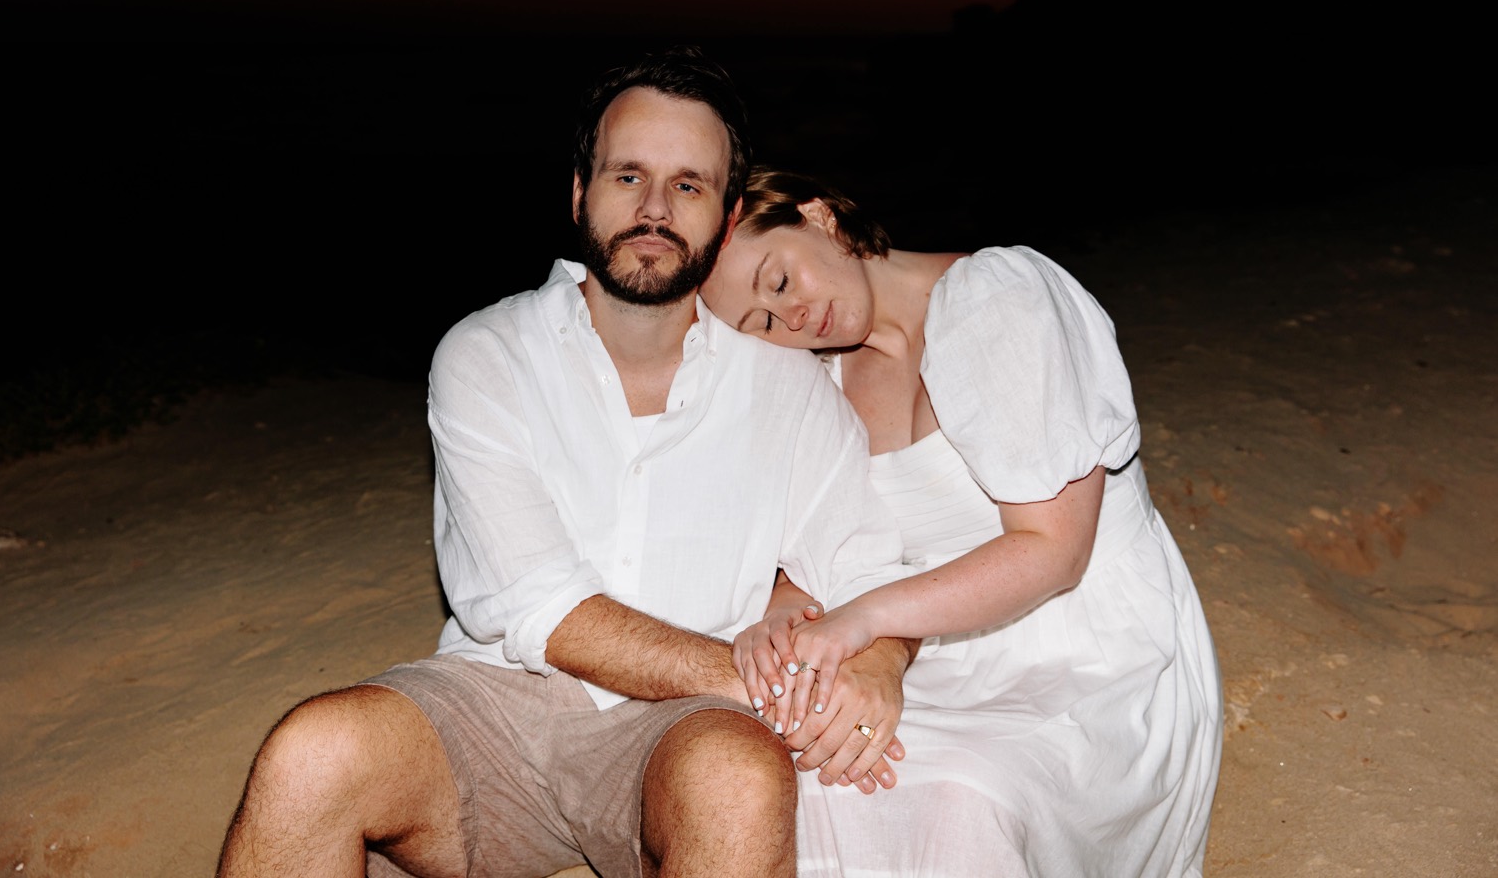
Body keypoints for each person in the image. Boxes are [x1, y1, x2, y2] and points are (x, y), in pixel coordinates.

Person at [215, 52, 918, 878]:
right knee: (312, 752)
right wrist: (756, 686)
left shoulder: (790, 393)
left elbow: (869, 571)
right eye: (628, 176)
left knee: (735, 778)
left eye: (689, 186)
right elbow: (543, 608)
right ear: (580, 192)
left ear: (727, 221)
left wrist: (878, 669)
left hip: (678, 732)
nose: (655, 209)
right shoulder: (488, 353)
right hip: (496, 703)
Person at [700, 167, 1224, 878]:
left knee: (962, 792)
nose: (790, 318)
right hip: (939, 648)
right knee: (802, 766)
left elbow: (1053, 553)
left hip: (1091, 646)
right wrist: (785, 603)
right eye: (759, 322)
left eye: (781, 281)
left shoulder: (998, 299)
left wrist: (865, 620)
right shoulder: (817, 381)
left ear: (821, 218)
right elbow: (825, 542)